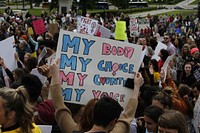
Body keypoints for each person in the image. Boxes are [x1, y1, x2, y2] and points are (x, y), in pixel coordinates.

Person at [49, 59, 144, 133]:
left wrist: (54, 75)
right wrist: (136, 88)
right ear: (113, 123)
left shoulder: (73, 130)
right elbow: (127, 116)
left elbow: (59, 105)